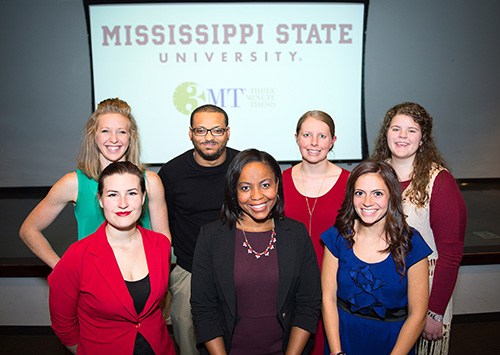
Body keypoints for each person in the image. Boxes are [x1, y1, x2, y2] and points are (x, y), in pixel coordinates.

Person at [191, 149, 322, 355]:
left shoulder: (296, 234)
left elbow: (309, 304)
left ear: (277, 185)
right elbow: (204, 309)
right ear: (233, 191)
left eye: (265, 185)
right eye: (245, 187)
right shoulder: (211, 236)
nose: (257, 196)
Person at [19, 98, 170, 269]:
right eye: (105, 131)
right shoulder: (74, 183)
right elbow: (28, 230)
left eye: (121, 132)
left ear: (131, 137)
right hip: (92, 283)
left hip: (143, 278)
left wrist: (158, 275)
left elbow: (163, 237)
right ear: (94, 135)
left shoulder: (150, 182)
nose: (113, 139)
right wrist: (63, 270)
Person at [48, 161, 175, 355]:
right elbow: (63, 324)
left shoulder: (161, 245)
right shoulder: (77, 256)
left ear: (143, 198)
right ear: (100, 200)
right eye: (112, 194)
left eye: (132, 193)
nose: (122, 203)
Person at [371, 102, 466, 354]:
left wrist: (434, 312)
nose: (402, 136)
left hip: (424, 299)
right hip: (378, 297)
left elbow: (451, 254)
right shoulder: (372, 176)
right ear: (386, 134)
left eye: (411, 130)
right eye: (396, 129)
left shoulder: (440, 182)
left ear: (423, 139)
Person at [321, 160, 432, 355]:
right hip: (343, 337)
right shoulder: (337, 236)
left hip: (394, 342)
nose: (367, 202)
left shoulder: (412, 245)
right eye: (360, 193)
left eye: (377, 193)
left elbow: (418, 315)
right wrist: (336, 351)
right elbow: (328, 299)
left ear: (392, 197)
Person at [158, 104, 239, 355]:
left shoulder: (244, 166)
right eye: (201, 130)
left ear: (228, 133)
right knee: (188, 343)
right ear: (190, 133)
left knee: (239, 337)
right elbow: (167, 222)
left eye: (216, 130)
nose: (209, 137)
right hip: (188, 270)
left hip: (239, 268)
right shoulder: (172, 173)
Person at [283, 110, 349, 355]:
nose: (313, 142)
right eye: (307, 134)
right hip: (290, 284)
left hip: (336, 284)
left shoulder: (350, 183)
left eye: (322, 136)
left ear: (332, 141)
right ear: (296, 137)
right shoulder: (279, 182)